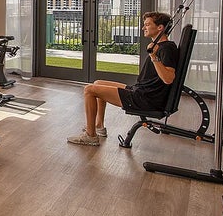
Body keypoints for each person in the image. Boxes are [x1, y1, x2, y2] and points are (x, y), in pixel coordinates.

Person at [67, 11, 179, 146]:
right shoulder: (160, 46)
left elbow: (168, 79)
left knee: (89, 90)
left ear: (160, 27)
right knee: (97, 83)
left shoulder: (166, 49)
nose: (143, 28)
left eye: (147, 25)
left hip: (145, 99)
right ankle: (98, 126)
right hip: (140, 91)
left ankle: (90, 136)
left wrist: (153, 56)